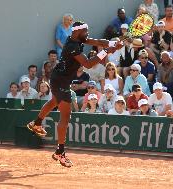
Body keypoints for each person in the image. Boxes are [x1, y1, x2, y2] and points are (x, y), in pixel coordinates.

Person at [26, 21, 122, 167]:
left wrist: (112, 43)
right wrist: (107, 51)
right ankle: (60, 152)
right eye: (86, 31)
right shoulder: (72, 46)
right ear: (78, 32)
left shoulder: (78, 38)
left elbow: (97, 41)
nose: (87, 34)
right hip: (61, 81)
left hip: (58, 78)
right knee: (65, 116)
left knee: (54, 102)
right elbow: (88, 64)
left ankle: (37, 123)